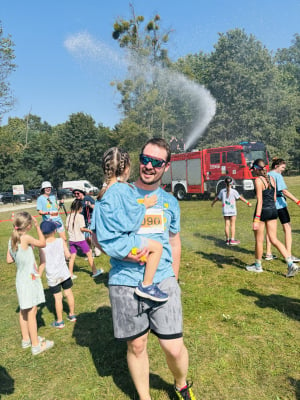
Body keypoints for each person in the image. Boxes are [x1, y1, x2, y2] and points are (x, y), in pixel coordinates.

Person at [91, 139, 196, 400]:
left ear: (166, 167)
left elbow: (174, 240)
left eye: (156, 162)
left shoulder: (170, 201)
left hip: (163, 280)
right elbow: (100, 238)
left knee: (173, 348)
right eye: (145, 159)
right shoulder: (117, 194)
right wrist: (127, 253)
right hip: (125, 281)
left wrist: (174, 276)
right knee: (137, 345)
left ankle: (181, 384)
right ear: (137, 160)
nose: (149, 166)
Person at [92, 146, 168, 303]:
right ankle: (147, 286)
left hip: (109, 245)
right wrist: (145, 205)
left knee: (143, 254)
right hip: (120, 242)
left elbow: (95, 231)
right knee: (157, 247)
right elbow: (131, 220)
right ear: (126, 168)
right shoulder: (123, 189)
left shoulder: (104, 192)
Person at [6, 212, 54, 355]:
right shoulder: (25, 237)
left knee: (23, 310)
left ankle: (26, 339)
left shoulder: (12, 238)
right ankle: (36, 345)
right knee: (32, 311)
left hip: (20, 278)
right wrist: (39, 227)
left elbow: (9, 259)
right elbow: (43, 243)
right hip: (29, 278)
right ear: (27, 226)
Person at [245, 159, 298, 278]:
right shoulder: (272, 179)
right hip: (273, 210)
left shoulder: (258, 181)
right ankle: (290, 264)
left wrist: (257, 219)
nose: (252, 172)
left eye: (253, 170)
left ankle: (258, 266)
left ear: (257, 169)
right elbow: (274, 198)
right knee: (274, 239)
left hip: (263, 211)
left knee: (259, 240)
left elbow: (260, 201)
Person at [39, 220, 76, 328]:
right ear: (55, 231)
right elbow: (68, 255)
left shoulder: (42, 246)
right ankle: (72, 315)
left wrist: (38, 274)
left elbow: (42, 262)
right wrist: (69, 256)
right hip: (64, 273)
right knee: (68, 293)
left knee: (57, 298)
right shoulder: (61, 241)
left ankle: (59, 321)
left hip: (52, 276)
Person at [265, 157, 300, 262]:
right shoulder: (277, 175)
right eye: (282, 167)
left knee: (270, 231)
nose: (283, 169)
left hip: (269, 205)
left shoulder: (267, 175)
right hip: (279, 205)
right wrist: (297, 201)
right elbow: (284, 191)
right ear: (276, 166)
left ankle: (268, 253)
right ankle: (288, 255)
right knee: (287, 228)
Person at [66, 199, 103, 279]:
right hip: (80, 240)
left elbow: (67, 228)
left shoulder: (68, 216)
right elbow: (82, 229)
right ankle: (95, 272)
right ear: (79, 208)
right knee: (89, 254)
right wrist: (89, 230)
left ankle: (70, 274)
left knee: (72, 257)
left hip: (72, 240)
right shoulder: (80, 216)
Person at [211, 176, 252, 245]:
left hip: (225, 211)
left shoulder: (222, 191)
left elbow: (216, 198)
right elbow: (241, 198)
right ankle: (232, 240)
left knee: (227, 225)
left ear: (225, 183)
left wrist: (212, 203)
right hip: (232, 211)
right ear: (232, 183)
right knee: (232, 225)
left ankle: (227, 240)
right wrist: (248, 203)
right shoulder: (234, 191)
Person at [72, 188, 101, 257]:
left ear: (82, 193)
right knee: (86, 238)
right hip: (82, 221)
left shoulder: (87, 198)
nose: (76, 195)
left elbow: (95, 207)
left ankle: (96, 247)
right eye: (75, 194)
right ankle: (90, 251)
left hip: (90, 219)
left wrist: (90, 205)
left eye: (78, 193)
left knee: (90, 237)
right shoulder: (76, 201)